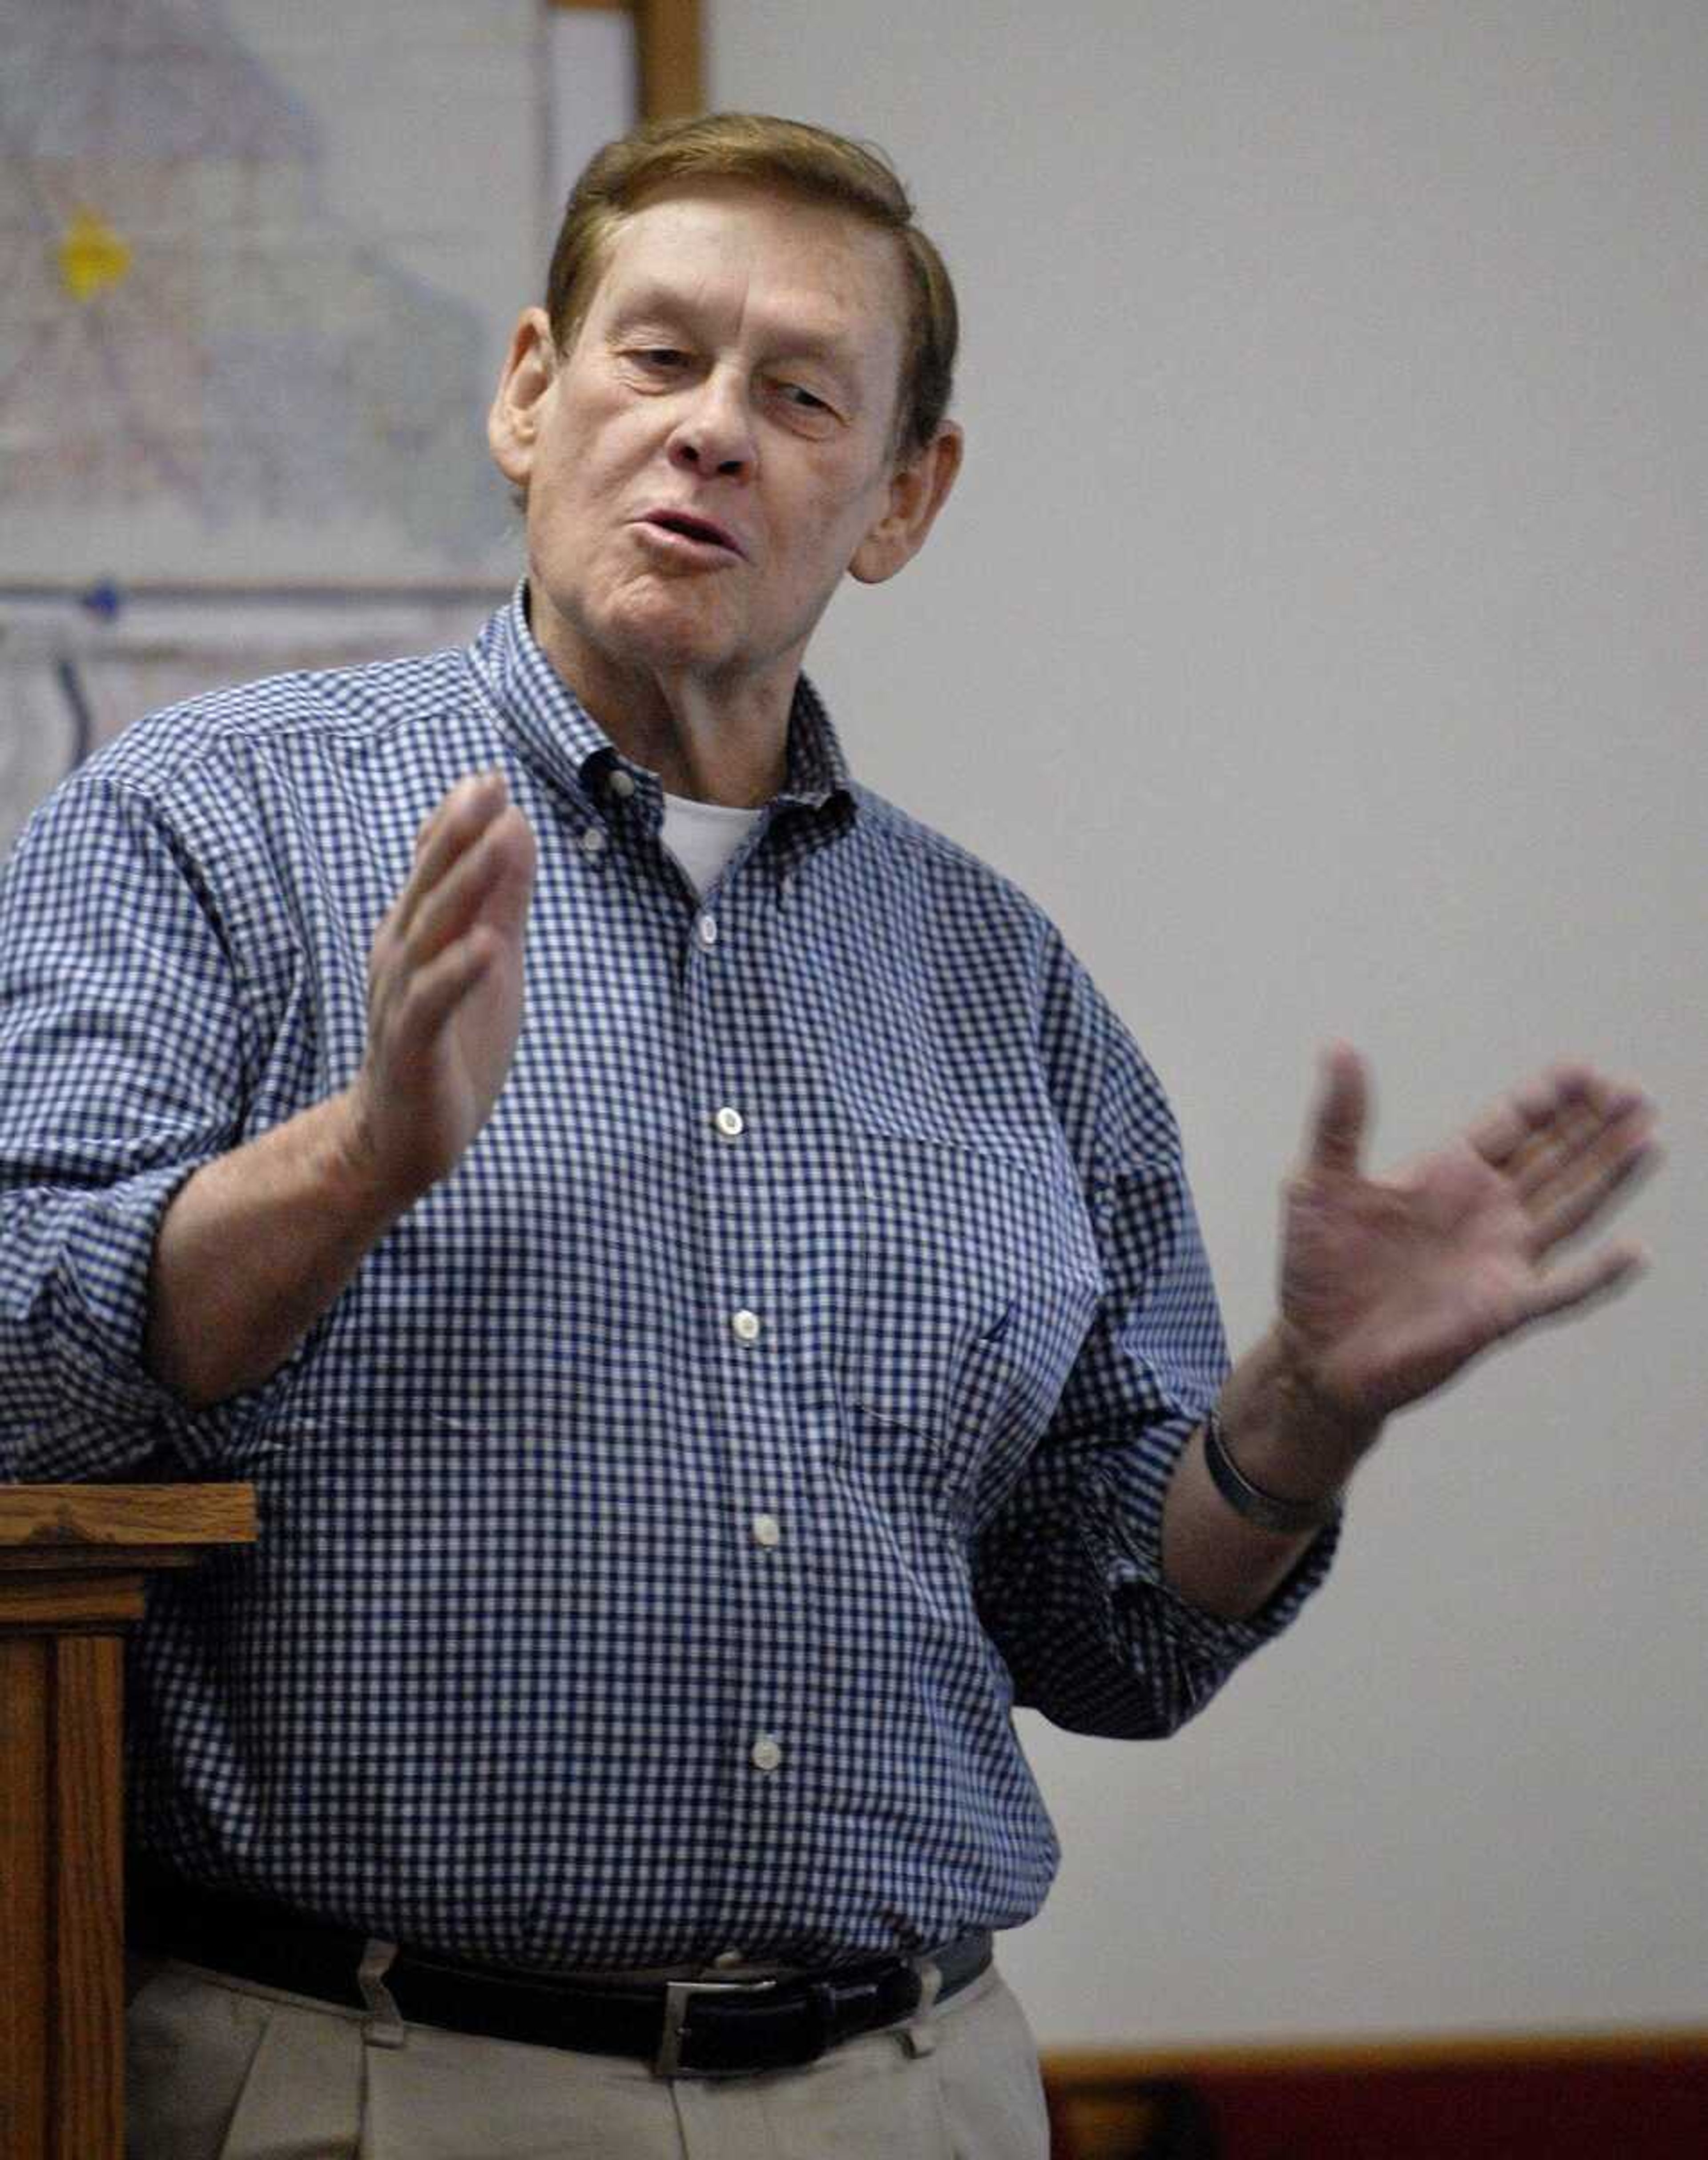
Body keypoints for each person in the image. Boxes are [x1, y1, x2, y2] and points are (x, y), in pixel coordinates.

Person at [0, 114, 1655, 2160]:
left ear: (901, 496)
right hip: (375, 2079)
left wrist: (1307, 1410)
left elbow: (1111, 1619)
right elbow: (20, 1376)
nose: (710, 434)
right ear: (530, 392)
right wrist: (356, 1164)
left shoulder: (1000, 981)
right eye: (656, 359)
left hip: (913, 2088)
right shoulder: (209, 825)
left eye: (798, 396)